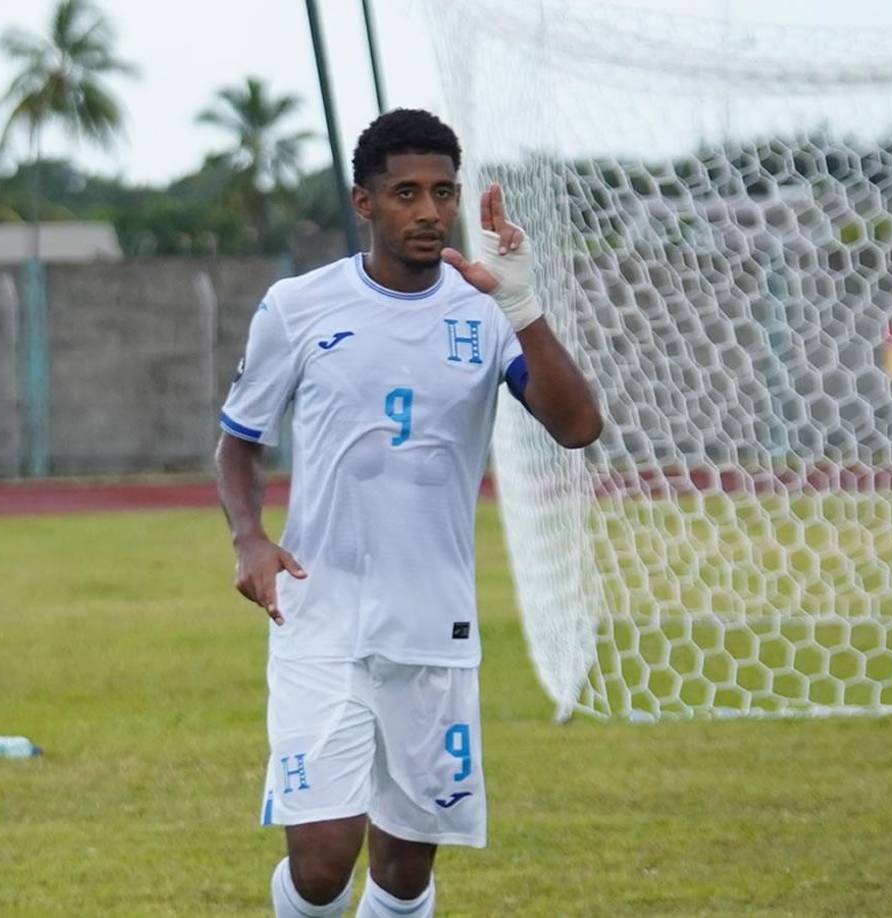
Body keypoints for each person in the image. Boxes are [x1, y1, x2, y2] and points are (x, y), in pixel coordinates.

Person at [215, 108, 602, 918]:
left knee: (404, 870)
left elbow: (577, 429)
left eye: (443, 192)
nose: (429, 211)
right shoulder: (297, 307)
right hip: (321, 617)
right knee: (322, 863)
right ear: (366, 203)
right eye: (407, 194)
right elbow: (239, 443)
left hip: (435, 627)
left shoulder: (486, 311)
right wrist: (250, 538)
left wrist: (525, 308)